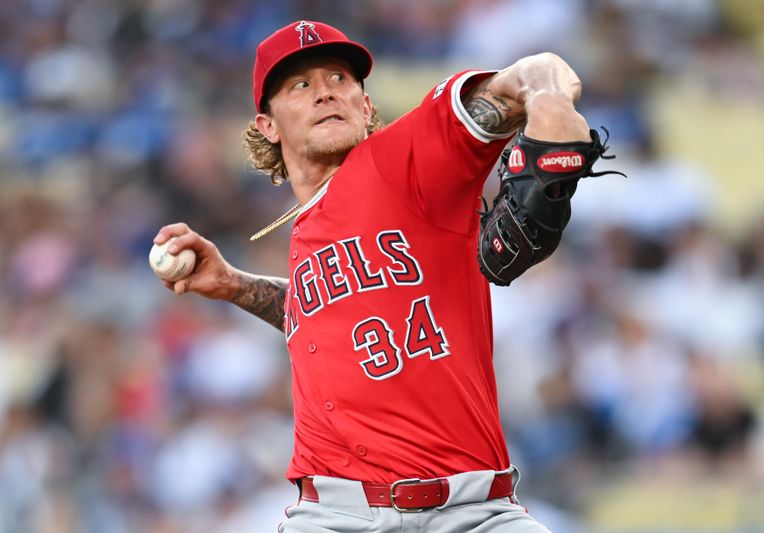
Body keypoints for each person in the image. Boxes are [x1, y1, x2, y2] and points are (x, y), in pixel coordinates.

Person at [153, 19, 592, 533]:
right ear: (267, 124)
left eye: (339, 79)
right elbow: (327, 320)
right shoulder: (306, 231)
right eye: (301, 85)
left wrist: (548, 102)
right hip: (333, 515)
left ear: (364, 106)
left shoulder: (404, 161)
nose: (325, 94)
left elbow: (540, 70)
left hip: (471, 511)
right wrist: (235, 286)